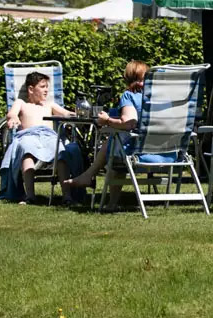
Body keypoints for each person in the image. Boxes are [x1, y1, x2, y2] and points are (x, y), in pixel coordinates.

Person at [62, 60, 152, 208]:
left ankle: (106, 197)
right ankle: (90, 178)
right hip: (168, 152)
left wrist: (107, 120)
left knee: (114, 146)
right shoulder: (159, 98)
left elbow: (129, 123)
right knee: (114, 142)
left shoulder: (129, 95)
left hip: (138, 152)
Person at [0, 71, 84, 204]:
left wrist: (74, 114)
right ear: (31, 89)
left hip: (48, 136)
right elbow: (12, 114)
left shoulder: (49, 104)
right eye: (42, 87)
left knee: (61, 154)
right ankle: (30, 196)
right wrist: (13, 118)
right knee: (27, 152)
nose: (46, 90)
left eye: (47, 87)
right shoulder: (21, 103)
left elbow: (65, 113)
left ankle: (67, 196)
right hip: (28, 135)